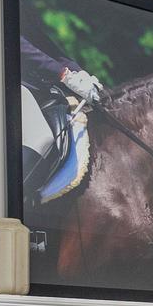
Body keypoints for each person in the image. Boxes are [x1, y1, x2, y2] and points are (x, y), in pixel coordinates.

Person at [18, 37, 107, 200]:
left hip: (38, 86)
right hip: (8, 81)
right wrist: (63, 75)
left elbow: (43, 44)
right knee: (41, 139)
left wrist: (80, 74)